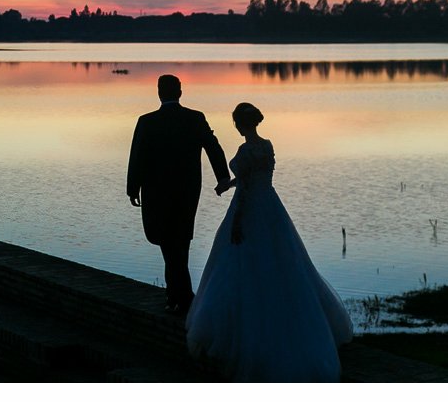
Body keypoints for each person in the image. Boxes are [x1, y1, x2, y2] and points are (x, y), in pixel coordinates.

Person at [186, 102, 353, 381]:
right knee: (283, 264)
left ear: (242, 123)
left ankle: (241, 334)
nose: (236, 126)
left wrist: (237, 223)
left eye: (236, 122)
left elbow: (248, 187)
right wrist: (227, 185)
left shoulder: (244, 150)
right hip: (271, 207)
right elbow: (251, 179)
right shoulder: (267, 146)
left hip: (250, 209)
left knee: (243, 265)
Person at [127, 74, 231, 314]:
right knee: (180, 240)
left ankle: (178, 297)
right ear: (180, 93)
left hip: (156, 191)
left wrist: (133, 188)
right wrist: (223, 177)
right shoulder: (195, 118)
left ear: (159, 93)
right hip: (187, 190)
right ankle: (179, 295)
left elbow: (137, 156)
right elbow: (213, 147)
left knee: (167, 240)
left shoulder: (147, 121)